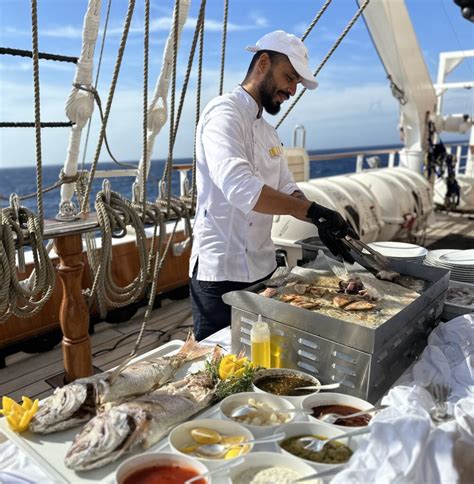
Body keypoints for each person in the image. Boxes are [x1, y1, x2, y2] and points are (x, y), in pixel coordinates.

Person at [189, 30, 358, 341]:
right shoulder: (223, 113)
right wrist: (311, 209)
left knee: (265, 356)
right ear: (263, 63)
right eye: (289, 77)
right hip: (220, 274)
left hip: (262, 268)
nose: (292, 89)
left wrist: (321, 220)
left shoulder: (269, 132)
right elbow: (242, 189)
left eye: (296, 83)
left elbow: (288, 189)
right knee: (219, 368)